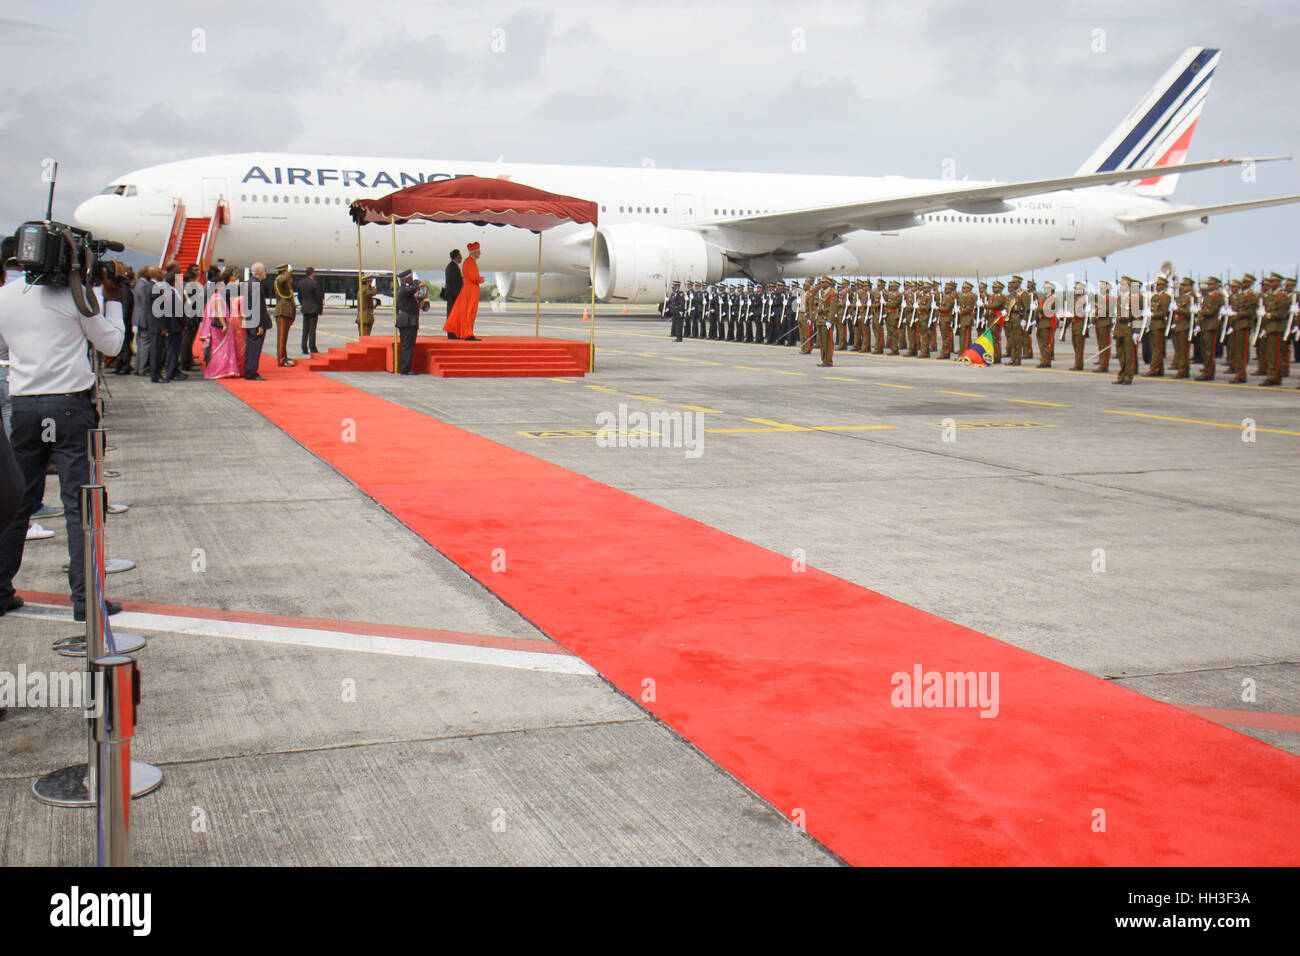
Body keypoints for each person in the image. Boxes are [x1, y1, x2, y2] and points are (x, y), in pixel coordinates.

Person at [0, 257, 125, 620]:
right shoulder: (76, 297)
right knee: (78, 504)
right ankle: (86, 599)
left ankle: (1, 589)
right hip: (68, 406)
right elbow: (112, 345)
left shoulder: (5, 296)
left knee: (18, 503)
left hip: (25, 407)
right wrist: (112, 298)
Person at [201, 268, 243, 379]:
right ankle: (221, 369)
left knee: (217, 347)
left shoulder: (213, 297)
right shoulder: (218, 298)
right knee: (222, 348)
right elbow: (220, 312)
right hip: (221, 325)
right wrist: (224, 324)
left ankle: (220, 369)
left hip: (215, 326)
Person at [443, 241, 483, 341]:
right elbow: (474, 278)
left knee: (465, 312)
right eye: (478, 252)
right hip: (470, 290)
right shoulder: (470, 262)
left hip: (468, 289)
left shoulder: (467, 262)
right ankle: (467, 333)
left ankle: (464, 332)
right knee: (469, 312)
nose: (480, 253)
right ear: (474, 252)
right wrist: (481, 279)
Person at [243, 262, 272, 380]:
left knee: (251, 347)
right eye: (264, 270)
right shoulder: (256, 285)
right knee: (255, 348)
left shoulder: (249, 284)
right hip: (256, 322)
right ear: (260, 272)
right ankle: (251, 372)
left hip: (250, 320)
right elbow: (257, 306)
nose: (265, 273)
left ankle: (249, 370)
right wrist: (259, 325)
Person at [395, 269, 424, 374]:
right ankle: (405, 368)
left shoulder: (403, 289)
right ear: (406, 279)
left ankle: (404, 366)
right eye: (411, 278)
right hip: (408, 321)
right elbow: (414, 288)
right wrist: (416, 281)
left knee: (406, 345)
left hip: (406, 321)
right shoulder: (405, 289)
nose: (412, 280)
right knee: (408, 346)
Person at [273, 263, 296, 365]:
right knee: (282, 337)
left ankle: (284, 356)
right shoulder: (279, 280)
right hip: (282, 311)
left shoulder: (285, 285)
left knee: (284, 337)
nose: (290, 279)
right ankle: (281, 359)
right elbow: (282, 279)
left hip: (286, 311)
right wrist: (288, 272)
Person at [297, 266, 322, 355]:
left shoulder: (300, 283)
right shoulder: (314, 283)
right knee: (312, 330)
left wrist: (303, 304)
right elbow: (319, 298)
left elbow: (299, 296)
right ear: (312, 273)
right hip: (313, 309)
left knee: (305, 329)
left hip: (305, 308)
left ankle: (304, 347)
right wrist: (320, 309)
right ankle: (312, 347)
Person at [442, 250, 463, 335]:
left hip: (452, 295)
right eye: (460, 256)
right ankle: (452, 333)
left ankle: (453, 332)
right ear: (455, 257)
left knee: (453, 314)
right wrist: (459, 295)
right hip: (454, 296)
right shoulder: (452, 267)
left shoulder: (451, 266)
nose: (461, 258)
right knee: (453, 315)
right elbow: (454, 284)